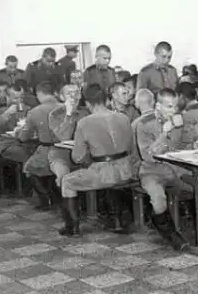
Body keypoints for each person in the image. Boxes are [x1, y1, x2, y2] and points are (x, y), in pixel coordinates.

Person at [57, 84, 138, 236]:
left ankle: (72, 227)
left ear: (88, 103)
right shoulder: (123, 118)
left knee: (66, 181)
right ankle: (117, 222)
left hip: (104, 173)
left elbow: (77, 158)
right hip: (127, 170)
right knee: (111, 180)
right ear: (106, 99)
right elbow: (131, 148)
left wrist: (91, 153)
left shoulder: (84, 123)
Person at [136, 89, 191, 250]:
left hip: (175, 169)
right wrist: (164, 133)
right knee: (158, 198)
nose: (173, 111)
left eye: (175, 106)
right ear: (158, 106)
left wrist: (194, 143)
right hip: (152, 171)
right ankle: (172, 236)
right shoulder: (144, 124)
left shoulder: (178, 120)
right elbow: (148, 156)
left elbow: (184, 143)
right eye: (169, 107)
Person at [19, 81, 60, 210]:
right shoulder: (67, 107)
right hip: (69, 150)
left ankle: (45, 198)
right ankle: (56, 195)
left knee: (28, 168)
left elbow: (23, 137)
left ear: (39, 94)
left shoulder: (35, 112)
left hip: (48, 150)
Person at [48, 83, 89, 188]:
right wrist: (69, 114)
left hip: (82, 153)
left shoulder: (86, 112)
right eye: (69, 93)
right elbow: (64, 137)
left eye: (76, 93)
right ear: (62, 97)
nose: (73, 96)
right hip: (61, 154)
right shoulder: (55, 114)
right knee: (64, 177)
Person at [0, 83, 36, 164]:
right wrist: (7, 113)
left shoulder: (27, 109)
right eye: (15, 98)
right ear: (7, 97)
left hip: (26, 142)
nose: (19, 101)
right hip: (8, 143)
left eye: (21, 97)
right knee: (26, 155)